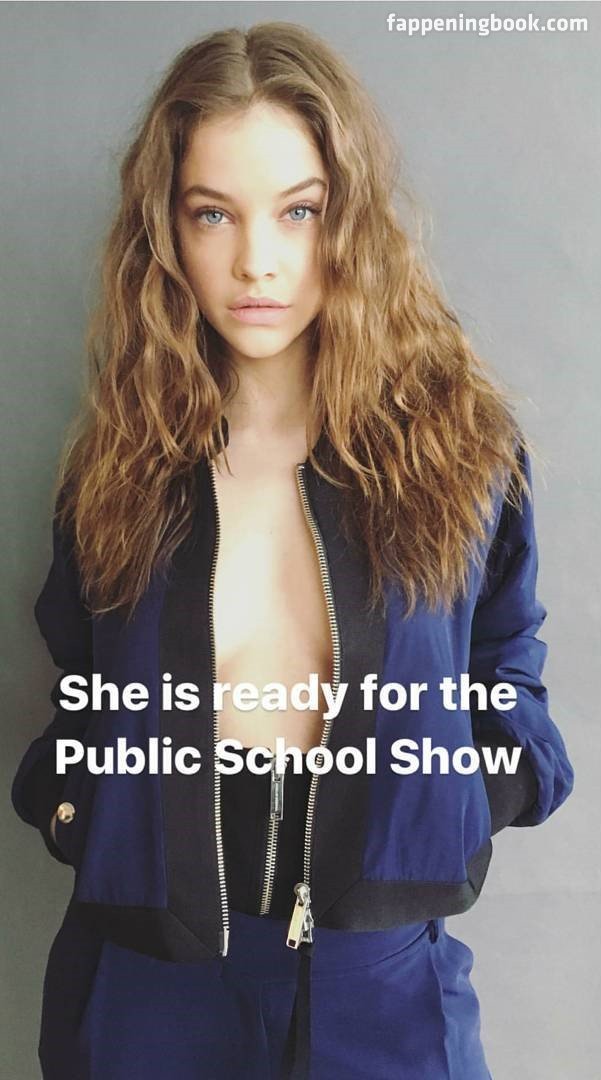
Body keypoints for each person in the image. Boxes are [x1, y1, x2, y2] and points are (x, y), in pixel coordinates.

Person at [12, 21, 574, 1080]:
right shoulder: (116, 467)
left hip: (381, 985)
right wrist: (73, 808)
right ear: (166, 231)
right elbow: (76, 684)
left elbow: (506, 666)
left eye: (298, 211)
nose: (256, 261)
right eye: (212, 214)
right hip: (145, 988)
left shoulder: (458, 451)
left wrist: (467, 808)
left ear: (348, 219)